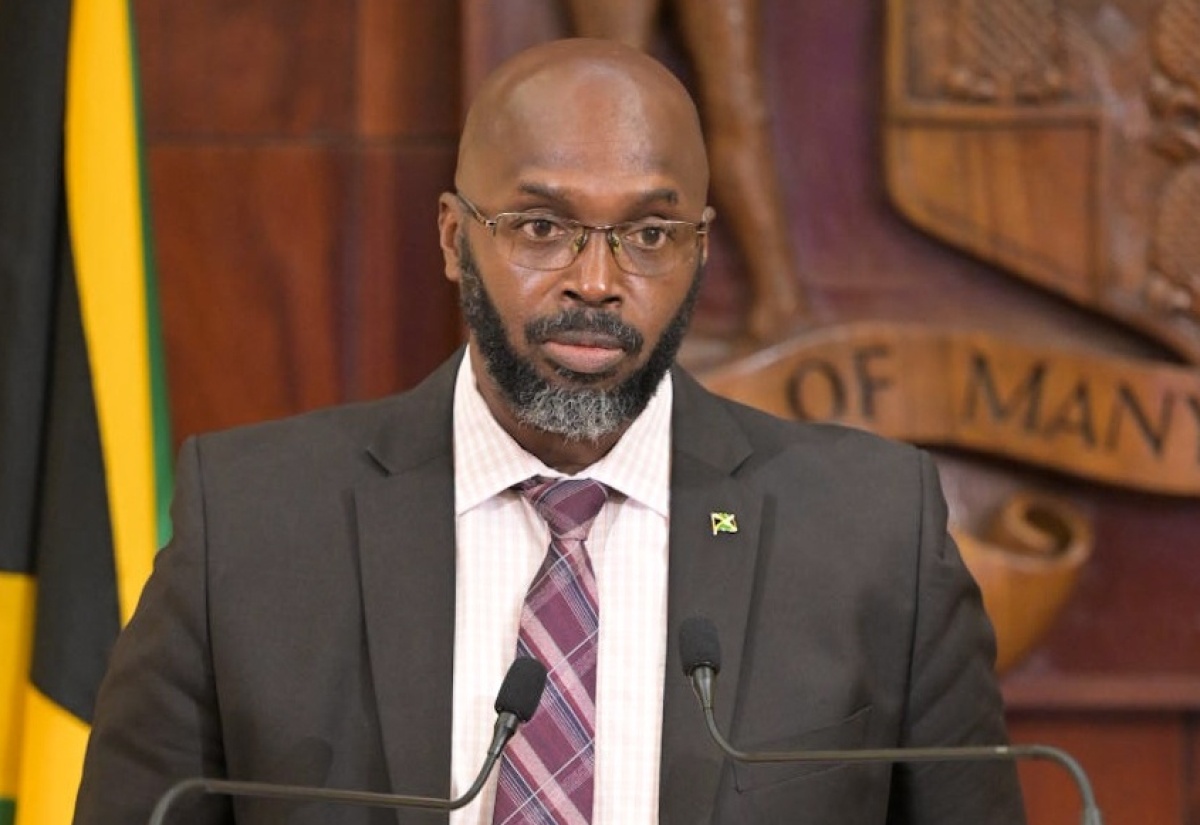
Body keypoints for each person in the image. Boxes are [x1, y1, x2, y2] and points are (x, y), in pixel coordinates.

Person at [74, 38, 1025, 824]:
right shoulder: (251, 524)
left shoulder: (869, 533)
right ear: (454, 239)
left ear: (698, 251)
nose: (597, 282)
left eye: (649, 236)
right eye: (541, 227)